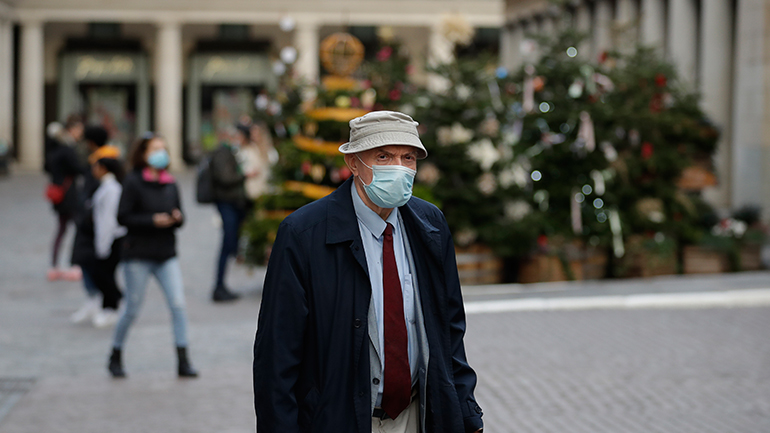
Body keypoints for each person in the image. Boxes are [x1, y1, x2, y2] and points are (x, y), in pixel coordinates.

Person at [253, 111, 484, 433]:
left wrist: (467, 413)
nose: (398, 168)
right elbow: (277, 353)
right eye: (383, 156)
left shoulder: (430, 225)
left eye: (408, 158)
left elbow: (450, 329)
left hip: (418, 415)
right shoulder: (303, 234)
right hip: (338, 419)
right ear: (353, 163)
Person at [108, 133, 198, 379]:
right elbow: (123, 216)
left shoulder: (170, 182)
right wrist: (152, 220)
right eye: (156, 149)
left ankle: (183, 360)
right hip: (138, 255)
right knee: (132, 309)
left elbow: (181, 216)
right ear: (143, 154)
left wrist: (176, 218)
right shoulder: (133, 182)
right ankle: (115, 354)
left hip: (166, 254)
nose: (161, 153)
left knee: (178, 305)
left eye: (163, 148)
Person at [209, 125, 256, 302]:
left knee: (231, 242)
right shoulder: (222, 153)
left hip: (235, 202)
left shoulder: (232, 152)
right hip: (226, 202)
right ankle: (219, 286)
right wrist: (245, 175)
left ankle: (221, 285)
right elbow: (225, 178)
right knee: (227, 243)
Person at [44, 116, 85, 282]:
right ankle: (74, 264)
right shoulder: (67, 149)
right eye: (79, 130)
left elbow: (47, 167)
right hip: (69, 195)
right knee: (78, 229)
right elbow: (78, 168)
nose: (80, 133)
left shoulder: (54, 148)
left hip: (59, 194)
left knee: (61, 229)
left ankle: (54, 265)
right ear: (71, 129)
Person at [89, 157, 127, 327]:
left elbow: (108, 219)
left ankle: (113, 304)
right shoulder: (107, 186)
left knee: (103, 273)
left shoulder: (112, 189)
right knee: (105, 273)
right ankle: (109, 305)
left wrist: (103, 244)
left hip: (112, 237)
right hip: (108, 237)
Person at [241, 121, 278, 202]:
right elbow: (243, 168)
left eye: (257, 133)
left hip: (269, 189)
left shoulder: (270, 151)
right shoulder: (247, 150)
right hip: (253, 190)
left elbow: (274, 168)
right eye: (253, 133)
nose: (254, 136)